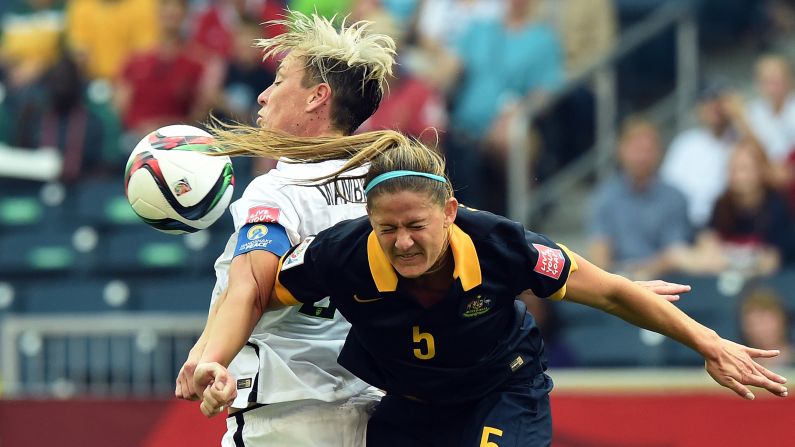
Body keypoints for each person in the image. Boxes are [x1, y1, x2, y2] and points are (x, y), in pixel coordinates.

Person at [196, 129, 788, 446]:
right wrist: (213, 359)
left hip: (501, 394)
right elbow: (252, 293)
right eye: (387, 229)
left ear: (451, 212)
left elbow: (609, 291)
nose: (401, 242)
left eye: (416, 226)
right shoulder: (342, 254)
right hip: (408, 411)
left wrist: (710, 343)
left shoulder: (501, 244)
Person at [175, 11, 398, 446]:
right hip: (373, 412)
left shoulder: (277, 191)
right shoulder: (391, 183)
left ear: (318, 96)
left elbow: (253, 287)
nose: (262, 96)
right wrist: (202, 350)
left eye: (277, 81)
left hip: (285, 415)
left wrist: (214, 359)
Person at [587, 117, 691, 280]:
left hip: (665, 281)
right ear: (620, 150)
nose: (642, 157)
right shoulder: (605, 196)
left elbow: (675, 253)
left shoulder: (675, 197)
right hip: (617, 281)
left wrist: (640, 273)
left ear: (659, 152)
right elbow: (599, 250)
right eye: (636, 149)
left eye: (648, 150)